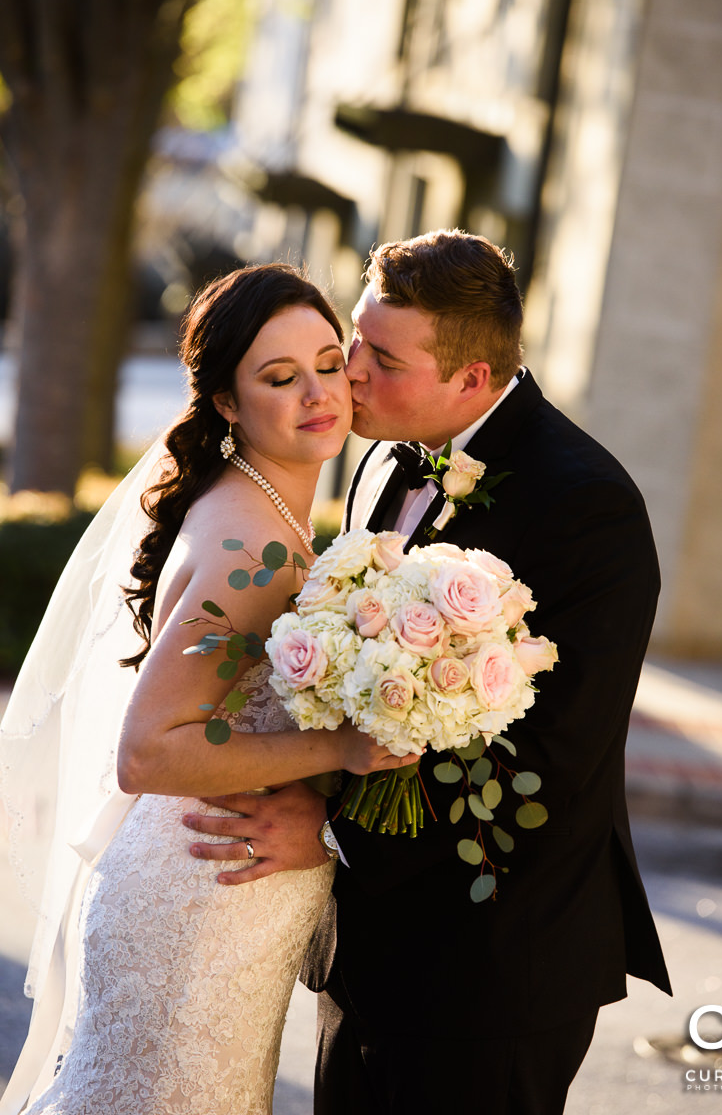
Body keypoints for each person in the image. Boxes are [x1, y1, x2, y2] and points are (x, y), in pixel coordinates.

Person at [186, 230, 672, 1115]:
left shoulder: (587, 507)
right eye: (356, 342)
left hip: (494, 967)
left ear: (471, 379)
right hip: (365, 956)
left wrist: (330, 834)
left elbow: (552, 764)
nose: (350, 375)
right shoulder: (375, 454)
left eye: (381, 358)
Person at [0, 264, 417, 1115]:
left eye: (328, 363)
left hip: (229, 889)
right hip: (199, 903)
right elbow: (149, 749)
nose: (316, 393)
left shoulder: (265, 514)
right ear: (226, 403)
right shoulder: (246, 547)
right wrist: (341, 748)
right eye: (277, 378)